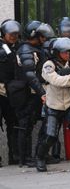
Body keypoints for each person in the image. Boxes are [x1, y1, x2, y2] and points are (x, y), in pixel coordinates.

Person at [35, 37, 70, 172]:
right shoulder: (48, 65)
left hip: (69, 103)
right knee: (50, 135)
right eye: (64, 52)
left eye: (68, 52)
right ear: (56, 52)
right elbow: (58, 80)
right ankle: (40, 157)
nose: (67, 54)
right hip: (54, 105)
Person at [9, 20, 54, 167]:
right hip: (25, 93)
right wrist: (42, 93)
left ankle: (37, 155)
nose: (44, 38)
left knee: (31, 123)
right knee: (25, 125)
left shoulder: (35, 49)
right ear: (35, 35)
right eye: (42, 36)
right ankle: (25, 158)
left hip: (32, 92)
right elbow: (30, 75)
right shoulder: (26, 50)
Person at [0, 19, 21, 165]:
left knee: (13, 122)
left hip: (12, 90)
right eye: (11, 34)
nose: (13, 36)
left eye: (16, 34)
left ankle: (14, 156)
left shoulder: (17, 47)